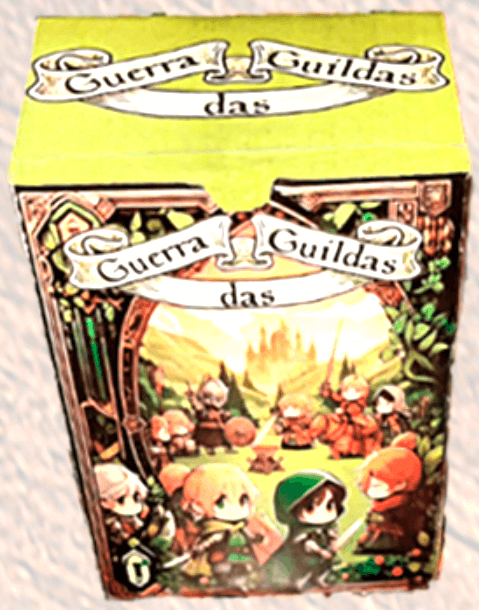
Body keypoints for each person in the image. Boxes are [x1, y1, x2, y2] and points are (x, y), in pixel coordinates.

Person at [170, 463, 263, 591]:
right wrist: (199, 548)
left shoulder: (239, 527)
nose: (235, 509)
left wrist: (255, 538)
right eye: (221, 503)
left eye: (244, 500)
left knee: (246, 568)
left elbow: (247, 534)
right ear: (198, 504)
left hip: (238, 557)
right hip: (218, 560)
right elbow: (210, 540)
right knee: (219, 567)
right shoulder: (215, 530)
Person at [264, 470, 347, 591]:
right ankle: (298, 583)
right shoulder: (300, 531)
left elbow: (331, 534)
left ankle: (318, 578)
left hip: (318, 559)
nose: (321, 514)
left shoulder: (328, 526)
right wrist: (320, 551)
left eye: (330, 506)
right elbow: (306, 543)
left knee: (323, 566)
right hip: (299, 561)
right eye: (310, 508)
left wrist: (333, 541)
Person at [356, 433, 424, 553]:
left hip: (394, 539)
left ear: (401, 484)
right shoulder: (380, 502)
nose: (369, 489)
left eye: (376, 485)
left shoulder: (401, 503)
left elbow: (404, 527)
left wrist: (381, 521)